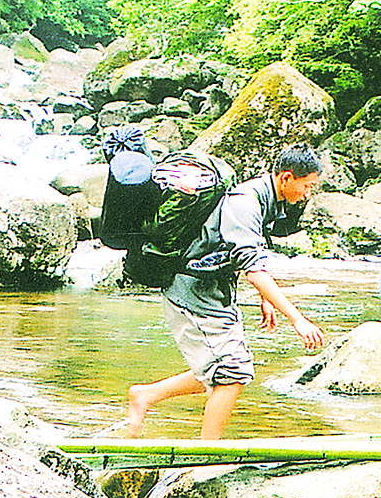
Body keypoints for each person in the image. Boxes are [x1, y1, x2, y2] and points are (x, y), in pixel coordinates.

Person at [124, 145, 327, 439]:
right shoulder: (246, 202)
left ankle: (146, 395)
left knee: (222, 366)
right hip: (192, 291)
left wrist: (266, 299)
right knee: (231, 373)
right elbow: (252, 267)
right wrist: (298, 319)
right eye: (307, 186)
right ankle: (209, 452)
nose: (307, 194)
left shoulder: (266, 199)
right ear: (286, 178)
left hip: (214, 290)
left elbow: (253, 252)